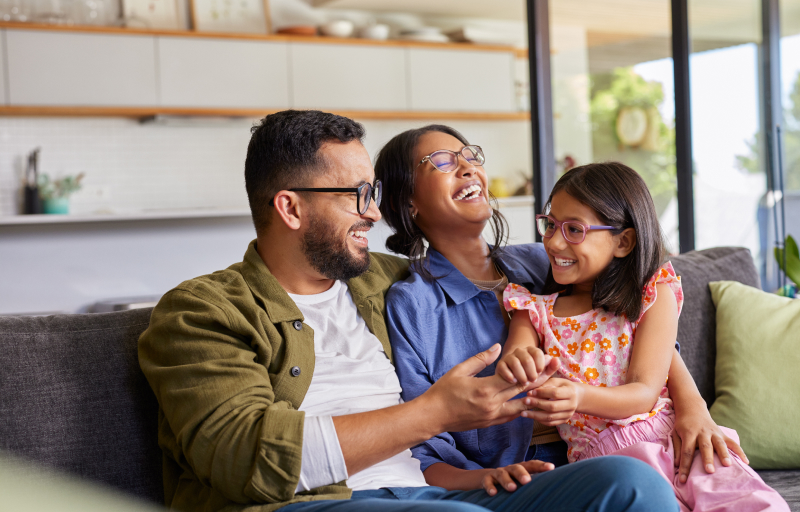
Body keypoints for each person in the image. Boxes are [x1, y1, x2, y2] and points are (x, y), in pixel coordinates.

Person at [138, 110, 678, 512]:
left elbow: (630, 305)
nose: (374, 213)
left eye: (374, 193)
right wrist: (437, 411)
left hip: (433, 495)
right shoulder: (201, 313)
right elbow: (245, 460)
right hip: (318, 502)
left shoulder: (386, 279)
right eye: (356, 195)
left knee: (634, 486)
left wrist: (692, 407)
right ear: (290, 206)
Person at [377, 124, 748, 496]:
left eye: (471, 156)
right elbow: (420, 443)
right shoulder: (413, 304)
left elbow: (638, 329)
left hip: (632, 439)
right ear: (407, 202)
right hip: (528, 474)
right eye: (441, 162)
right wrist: (483, 479)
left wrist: (693, 407)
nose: (469, 167)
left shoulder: (546, 259)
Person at [500, 162, 789, 511]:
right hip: (605, 466)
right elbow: (516, 357)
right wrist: (519, 363)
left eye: (574, 229)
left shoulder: (651, 295)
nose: (555, 241)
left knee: (757, 505)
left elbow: (643, 392)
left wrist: (577, 394)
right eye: (550, 225)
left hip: (676, 441)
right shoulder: (532, 310)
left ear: (624, 241)